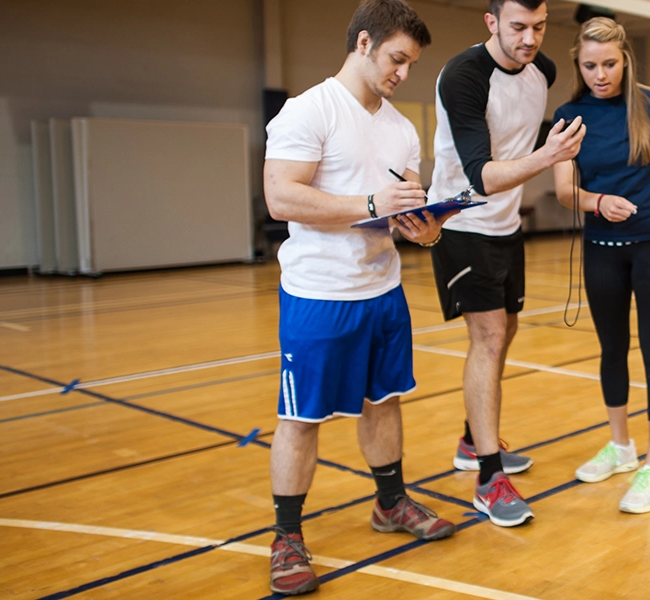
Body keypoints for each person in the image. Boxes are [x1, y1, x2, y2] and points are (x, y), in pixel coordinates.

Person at [261, 0, 454, 595]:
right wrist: (371, 207)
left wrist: (424, 228)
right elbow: (282, 199)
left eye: (411, 64)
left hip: (383, 290)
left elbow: (402, 211)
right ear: (364, 43)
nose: (402, 72)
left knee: (385, 401)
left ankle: (390, 504)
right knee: (302, 418)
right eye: (397, 58)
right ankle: (287, 537)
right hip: (319, 294)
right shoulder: (308, 111)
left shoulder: (399, 128)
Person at [430, 0, 585, 527]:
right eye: (518, 27)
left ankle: (473, 442)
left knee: (509, 329)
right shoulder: (463, 76)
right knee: (489, 337)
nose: (530, 38)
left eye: (539, 27)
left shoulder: (543, 71)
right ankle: (488, 477)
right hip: (461, 222)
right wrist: (550, 156)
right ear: (492, 22)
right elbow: (480, 176)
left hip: (506, 226)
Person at [551, 17, 650, 514]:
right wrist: (596, 202)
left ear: (625, 60)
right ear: (578, 62)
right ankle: (621, 446)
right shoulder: (569, 115)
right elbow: (562, 191)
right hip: (601, 247)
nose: (601, 74)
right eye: (591, 65)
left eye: (610, 64)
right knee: (611, 348)